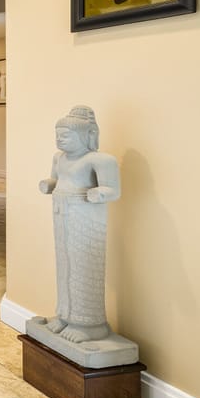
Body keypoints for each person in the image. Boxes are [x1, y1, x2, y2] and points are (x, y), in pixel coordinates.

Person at [38, 106, 120, 343]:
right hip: (62, 214)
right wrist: (48, 184)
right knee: (64, 263)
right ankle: (64, 314)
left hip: (86, 219)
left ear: (86, 135)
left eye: (66, 135)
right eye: (58, 134)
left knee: (84, 264)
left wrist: (100, 194)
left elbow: (113, 189)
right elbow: (56, 179)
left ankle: (88, 323)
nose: (59, 139)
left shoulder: (100, 160)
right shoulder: (59, 158)